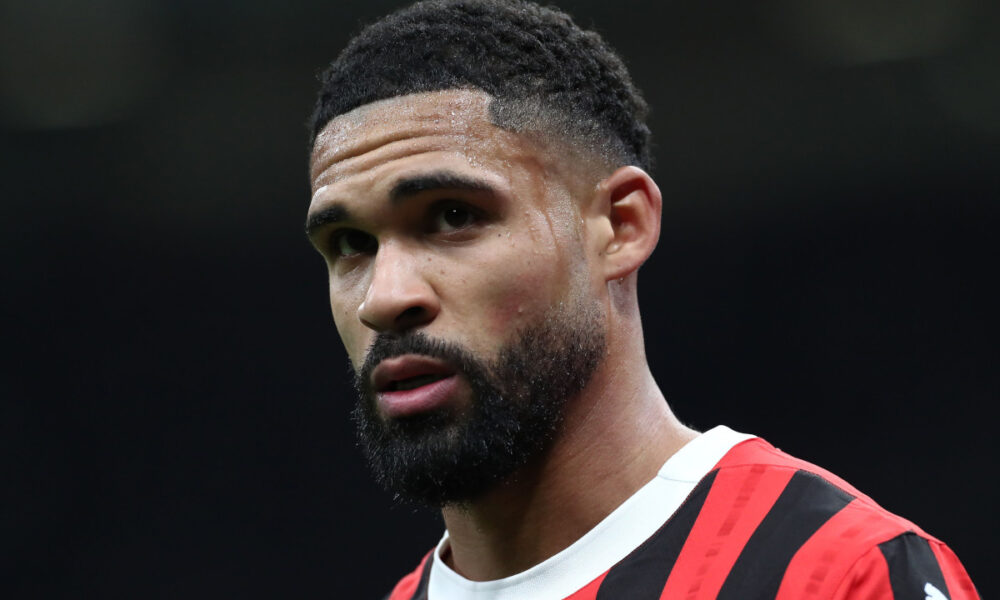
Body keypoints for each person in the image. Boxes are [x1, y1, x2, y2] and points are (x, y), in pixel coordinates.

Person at [303, 1, 979, 598]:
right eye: (350, 244)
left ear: (620, 226)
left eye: (453, 216)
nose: (385, 298)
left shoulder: (832, 573)